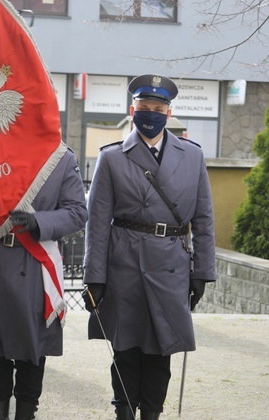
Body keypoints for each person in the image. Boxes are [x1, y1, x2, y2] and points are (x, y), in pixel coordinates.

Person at [83, 74, 216, 420]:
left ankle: (152, 414)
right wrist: (93, 277)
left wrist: (202, 272)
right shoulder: (112, 158)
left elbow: (203, 219)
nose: (151, 114)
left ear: (169, 113)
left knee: (161, 350)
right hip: (124, 265)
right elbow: (97, 223)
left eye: (158, 108)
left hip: (170, 266)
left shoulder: (192, 157)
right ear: (133, 109)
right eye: (144, 108)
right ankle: (124, 412)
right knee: (125, 348)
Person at [0, 149, 87, 420]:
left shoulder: (60, 157)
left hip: (35, 262)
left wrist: (39, 221)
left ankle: (26, 415)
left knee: (33, 351)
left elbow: (77, 212)